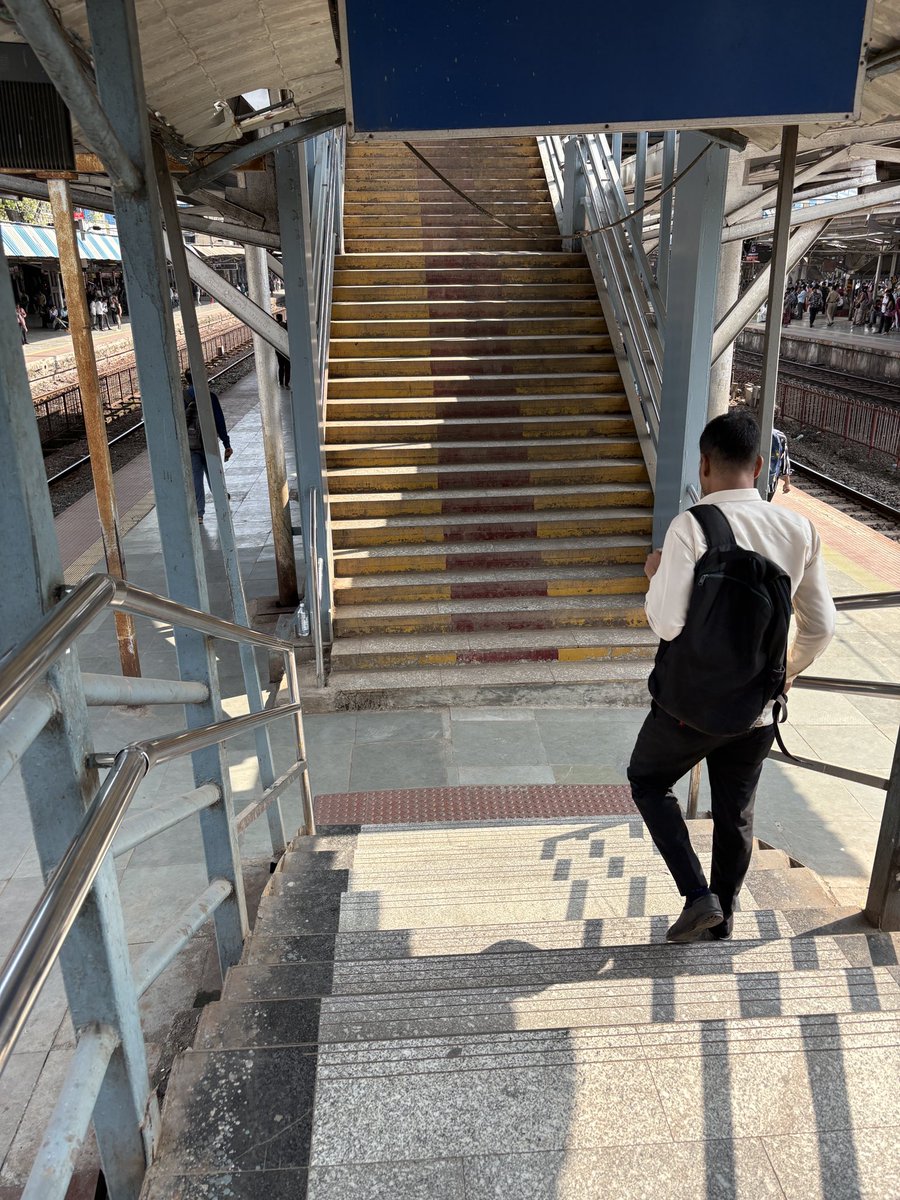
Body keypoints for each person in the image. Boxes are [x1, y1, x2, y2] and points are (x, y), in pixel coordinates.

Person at [627, 411, 835, 943]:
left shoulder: (691, 526)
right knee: (735, 812)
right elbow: (821, 627)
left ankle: (699, 897)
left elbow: (666, 622)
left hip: (689, 706)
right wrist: (786, 673)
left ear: (704, 465)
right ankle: (724, 923)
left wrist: (655, 576)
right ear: (759, 466)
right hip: (757, 710)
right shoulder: (800, 530)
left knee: (648, 780)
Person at [183, 368, 233, 524]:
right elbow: (219, 421)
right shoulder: (210, 397)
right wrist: (226, 443)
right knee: (214, 476)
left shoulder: (182, 397)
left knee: (196, 480)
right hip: (209, 443)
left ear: (187, 380)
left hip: (191, 445)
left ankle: (199, 514)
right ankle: (222, 503)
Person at [768, 426, 792, 501]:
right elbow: (784, 459)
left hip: (751, 482)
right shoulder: (780, 436)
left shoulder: (751, 432)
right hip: (771, 482)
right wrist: (787, 482)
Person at [275, 312, 291, 387]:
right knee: (287, 367)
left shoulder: (275, 326)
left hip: (279, 350)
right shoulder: (286, 326)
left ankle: (281, 383)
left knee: (281, 367)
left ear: (277, 318)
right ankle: (286, 384)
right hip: (287, 350)